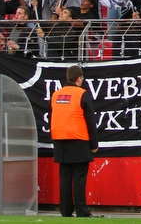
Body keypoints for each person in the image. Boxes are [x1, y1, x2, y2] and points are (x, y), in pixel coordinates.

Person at [49, 65, 99, 219]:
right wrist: (94, 144)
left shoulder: (56, 94)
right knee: (79, 178)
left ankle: (65, 211)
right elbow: (90, 120)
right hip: (79, 139)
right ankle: (82, 212)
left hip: (60, 140)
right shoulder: (82, 94)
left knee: (64, 178)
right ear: (79, 78)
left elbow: (52, 116)